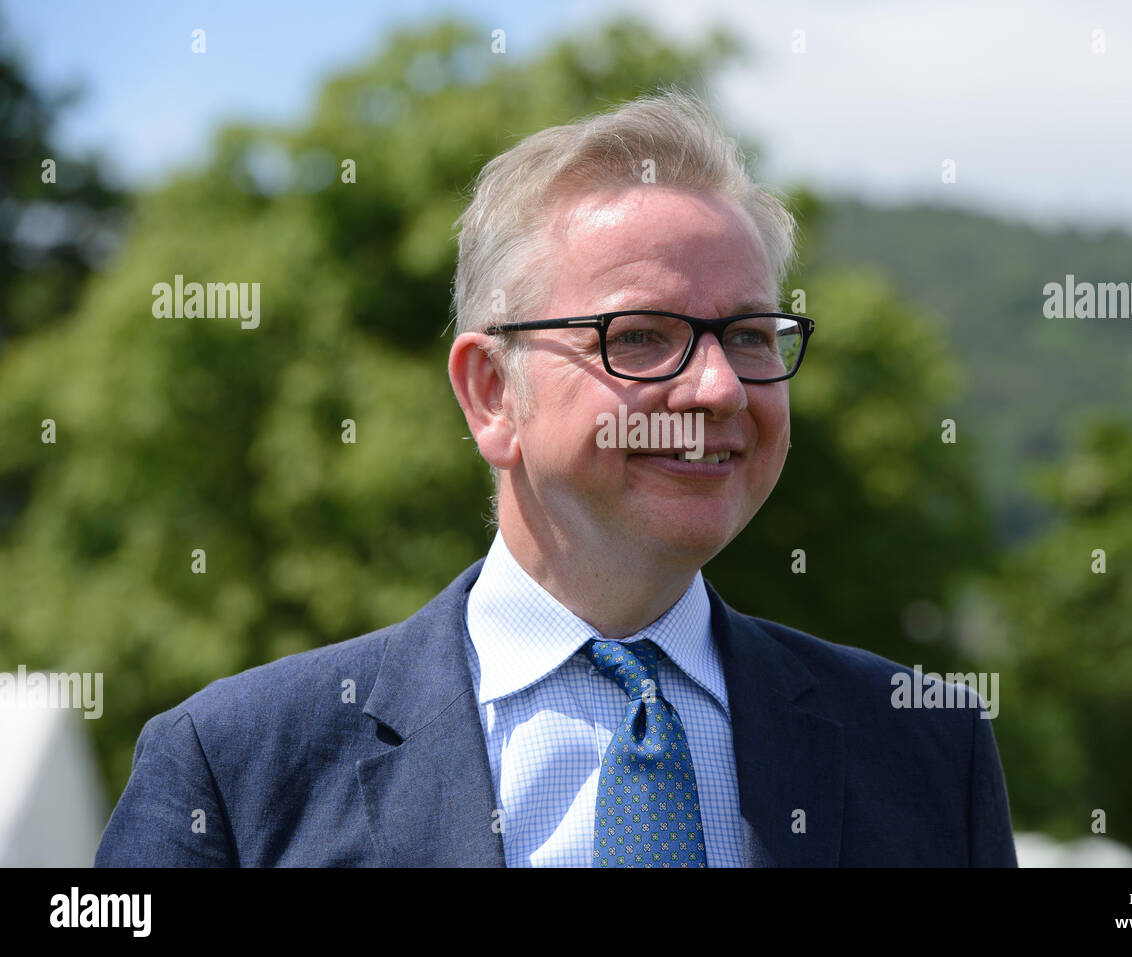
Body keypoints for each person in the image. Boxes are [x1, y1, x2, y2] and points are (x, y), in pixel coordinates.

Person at [95, 90, 1016, 867]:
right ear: (493, 392)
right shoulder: (237, 767)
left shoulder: (928, 749)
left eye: (748, 336)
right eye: (644, 336)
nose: (721, 386)